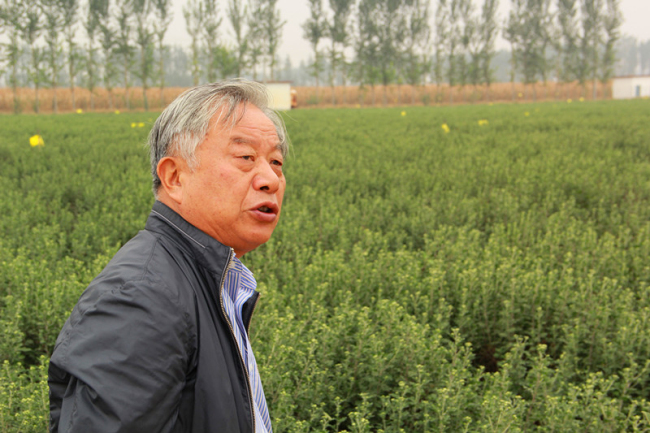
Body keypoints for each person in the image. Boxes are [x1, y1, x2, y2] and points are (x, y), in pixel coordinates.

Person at [48, 79, 288, 433]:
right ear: (174, 177)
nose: (270, 179)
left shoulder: (210, 282)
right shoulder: (141, 300)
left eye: (276, 162)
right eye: (245, 158)